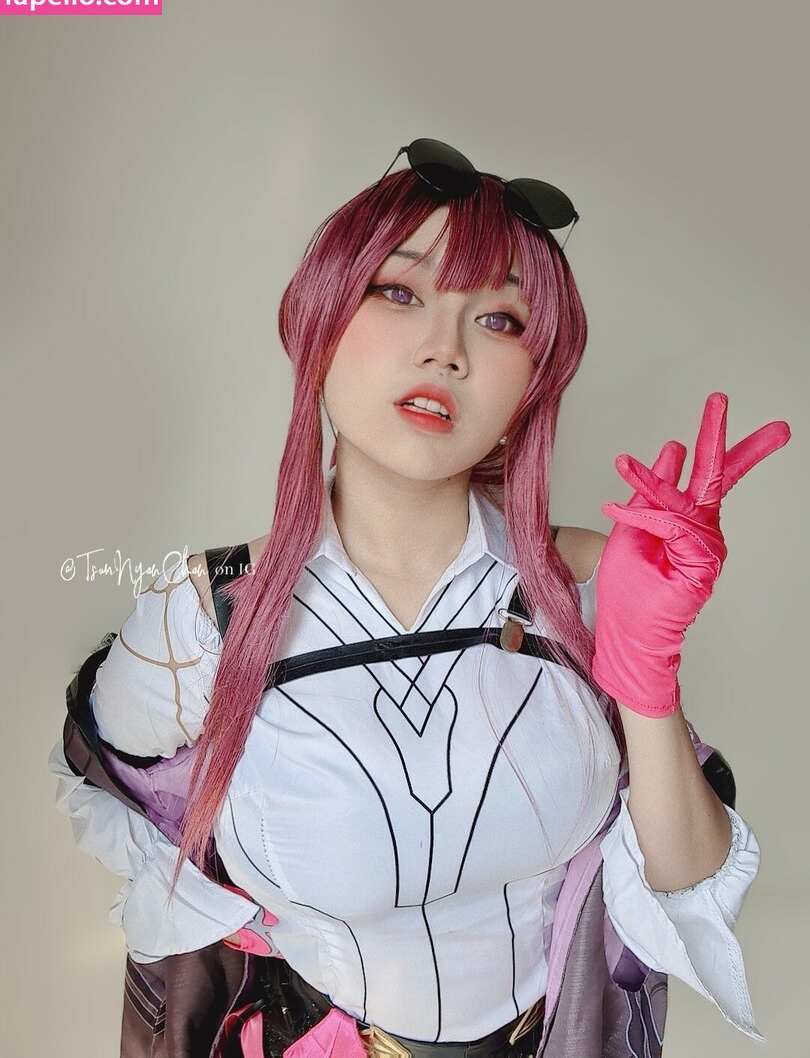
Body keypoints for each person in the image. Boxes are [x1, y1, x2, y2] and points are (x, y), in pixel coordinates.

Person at [49, 138, 790, 1058]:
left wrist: (647, 678)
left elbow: (688, 883)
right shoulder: (201, 618)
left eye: (500, 319)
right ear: (319, 318)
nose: (445, 350)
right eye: (400, 293)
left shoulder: (585, 585)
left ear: (534, 382)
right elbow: (143, 834)